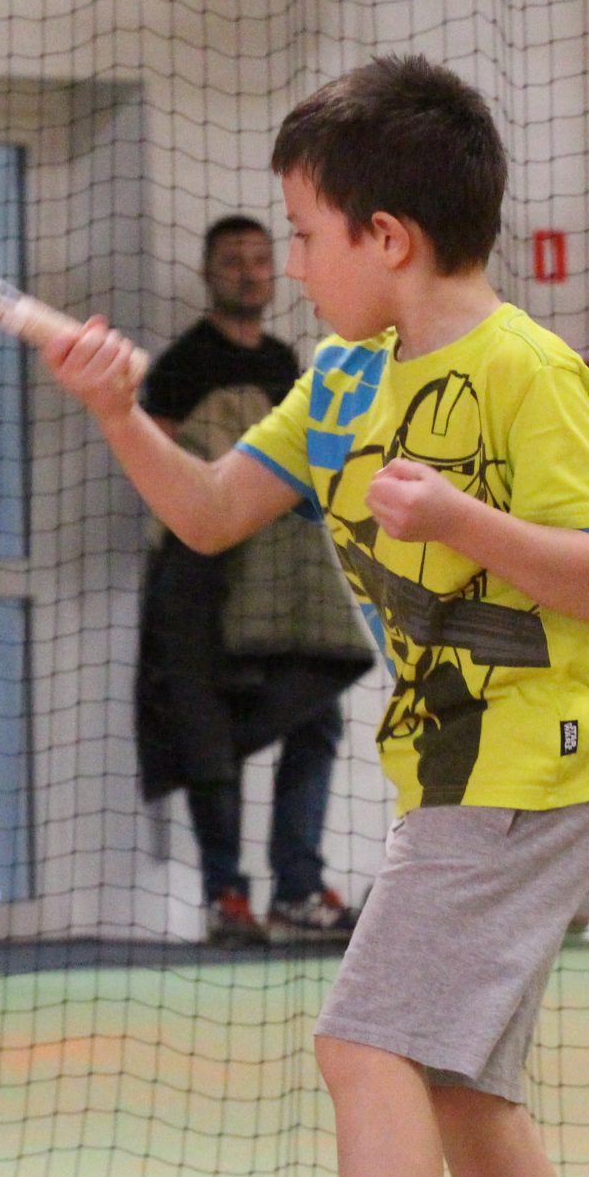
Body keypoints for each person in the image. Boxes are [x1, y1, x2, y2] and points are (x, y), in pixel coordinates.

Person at [42, 56, 589, 1177]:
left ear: (388, 237)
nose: (292, 258)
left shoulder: (525, 370)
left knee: (361, 1038)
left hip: (531, 765)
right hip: (453, 770)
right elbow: (202, 512)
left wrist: (459, 518)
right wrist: (121, 410)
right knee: (461, 1087)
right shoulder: (342, 383)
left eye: (306, 231)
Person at [137, 215, 373, 947]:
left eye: (259, 259)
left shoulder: (287, 361)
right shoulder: (179, 364)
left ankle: (298, 886)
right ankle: (225, 895)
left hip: (286, 578)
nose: (249, 271)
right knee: (211, 731)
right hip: (202, 580)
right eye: (232, 261)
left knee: (316, 709)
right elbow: (168, 473)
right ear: (209, 273)